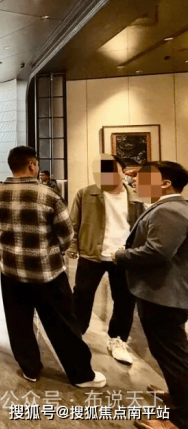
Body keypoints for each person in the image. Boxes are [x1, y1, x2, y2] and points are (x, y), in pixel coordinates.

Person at [0, 146, 105, 388]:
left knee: (18, 323)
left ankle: (29, 368)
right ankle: (81, 375)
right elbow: (66, 234)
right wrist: (50, 250)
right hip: (47, 272)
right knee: (62, 324)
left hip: (10, 270)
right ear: (32, 165)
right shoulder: (48, 195)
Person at [113, 162, 188, 429]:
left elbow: (158, 252)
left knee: (173, 355)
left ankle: (179, 419)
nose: (135, 182)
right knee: (169, 352)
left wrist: (120, 255)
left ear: (165, 183)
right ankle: (178, 395)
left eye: (143, 178)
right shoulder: (170, 207)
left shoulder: (170, 210)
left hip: (164, 294)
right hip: (164, 292)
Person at [68, 154, 145, 365]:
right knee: (82, 295)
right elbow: (73, 222)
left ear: (123, 171)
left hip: (124, 256)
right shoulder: (86, 193)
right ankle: (75, 335)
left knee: (125, 300)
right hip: (92, 253)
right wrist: (73, 246)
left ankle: (117, 339)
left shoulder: (137, 196)